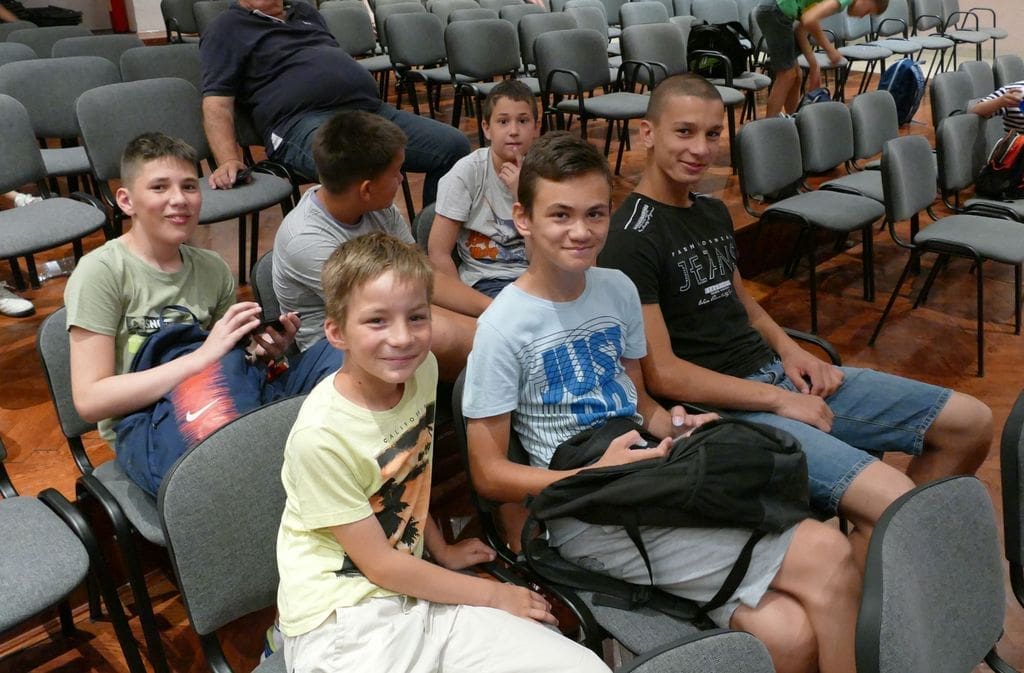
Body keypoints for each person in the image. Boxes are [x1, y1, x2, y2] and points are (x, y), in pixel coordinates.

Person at [463, 131, 862, 673]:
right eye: (560, 215)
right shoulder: (501, 327)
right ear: (523, 219)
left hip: (647, 472)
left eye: (595, 214)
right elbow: (488, 475)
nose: (580, 231)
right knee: (830, 555)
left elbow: (639, 402)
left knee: (787, 635)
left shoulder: (617, 289)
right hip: (584, 509)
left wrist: (676, 425)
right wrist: (589, 475)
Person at [598, 73, 992, 565]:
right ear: (647, 133)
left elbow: (742, 302)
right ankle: (873, 594)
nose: (700, 148)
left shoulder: (710, 210)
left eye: (713, 134)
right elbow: (665, 374)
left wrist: (791, 351)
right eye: (684, 132)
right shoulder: (630, 239)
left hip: (776, 377)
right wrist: (781, 400)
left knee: (970, 424)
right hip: (727, 409)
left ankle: (887, 574)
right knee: (896, 506)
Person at [277, 231, 608, 673]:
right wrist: (493, 594)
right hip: (343, 621)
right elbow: (381, 567)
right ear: (337, 332)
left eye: (417, 317)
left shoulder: (422, 370)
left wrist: (441, 548)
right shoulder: (320, 437)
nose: (402, 338)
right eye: (377, 321)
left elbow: (407, 476)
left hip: (414, 593)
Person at [65, 132, 299, 454]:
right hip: (144, 423)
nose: (179, 199)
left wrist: (261, 355)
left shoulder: (213, 268)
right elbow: (91, 401)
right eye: (159, 187)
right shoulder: (101, 272)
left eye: (189, 186)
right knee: (249, 449)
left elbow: (224, 359)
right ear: (126, 201)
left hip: (212, 397)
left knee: (330, 367)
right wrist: (200, 358)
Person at [198, 0, 469, 205]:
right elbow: (217, 104)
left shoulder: (305, 12)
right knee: (357, 163)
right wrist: (228, 160)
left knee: (452, 146)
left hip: (369, 111)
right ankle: (372, 257)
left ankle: (435, 246)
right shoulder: (226, 28)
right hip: (302, 122)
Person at [273, 110, 475, 380]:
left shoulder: (379, 207)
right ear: (366, 190)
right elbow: (393, 306)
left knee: (487, 329)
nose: (401, 179)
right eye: (396, 173)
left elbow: (423, 278)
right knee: (441, 335)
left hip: (390, 315)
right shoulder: (305, 240)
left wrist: (493, 310)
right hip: (337, 349)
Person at [427, 80, 539, 316]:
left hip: (535, 276)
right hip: (485, 283)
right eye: (503, 121)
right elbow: (438, 252)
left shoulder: (543, 174)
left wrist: (522, 195)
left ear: (536, 128)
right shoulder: (467, 173)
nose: (514, 130)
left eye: (523, 121)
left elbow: (539, 257)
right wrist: (461, 305)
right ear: (487, 129)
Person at [753, 0, 887, 117]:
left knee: (797, 76)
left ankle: (793, 122)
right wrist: (830, 50)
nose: (862, 16)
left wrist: (814, 65)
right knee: (787, 76)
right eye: (867, 11)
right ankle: (769, 129)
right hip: (775, 10)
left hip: (776, 11)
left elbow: (801, 30)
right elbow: (809, 19)